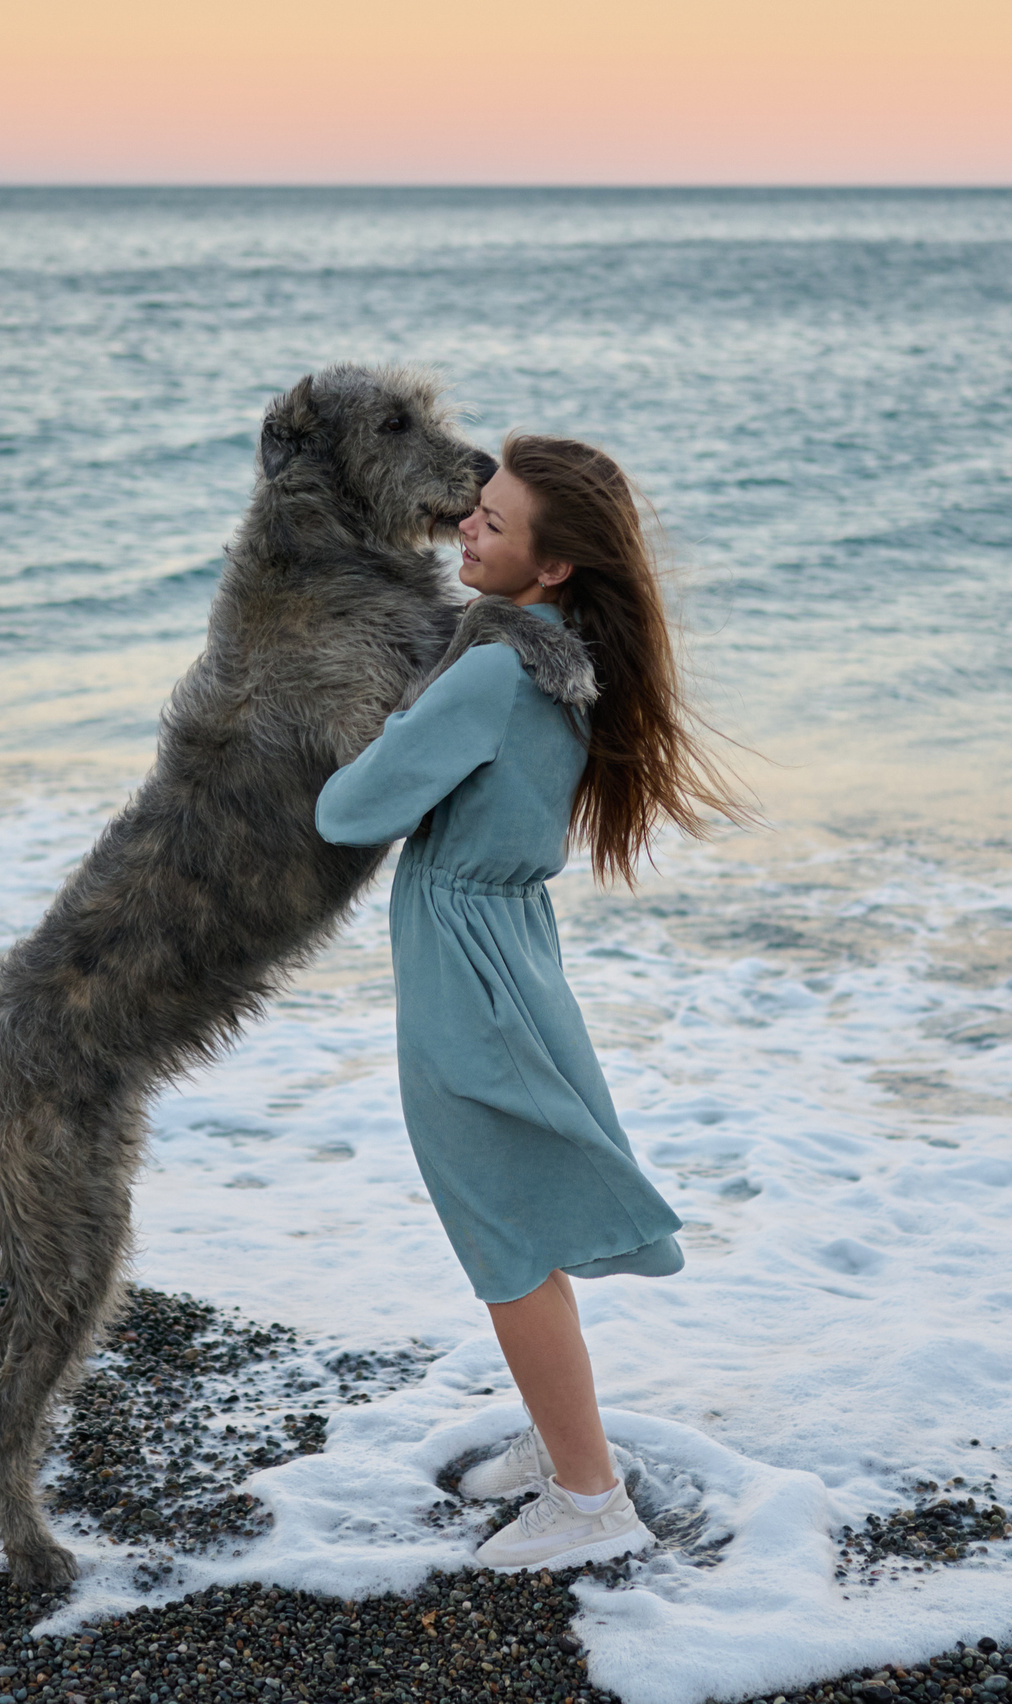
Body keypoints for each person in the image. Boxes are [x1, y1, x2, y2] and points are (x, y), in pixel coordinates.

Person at [316, 434, 750, 1572]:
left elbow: (350, 810)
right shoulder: (557, 648)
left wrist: (373, 725)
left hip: (466, 960)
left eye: (493, 523)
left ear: (553, 566)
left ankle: (589, 1500)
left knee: (501, 1236)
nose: (466, 525)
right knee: (512, 1218)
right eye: (476, 509)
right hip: (505, 941)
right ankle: (570, 1446)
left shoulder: (496, 670)